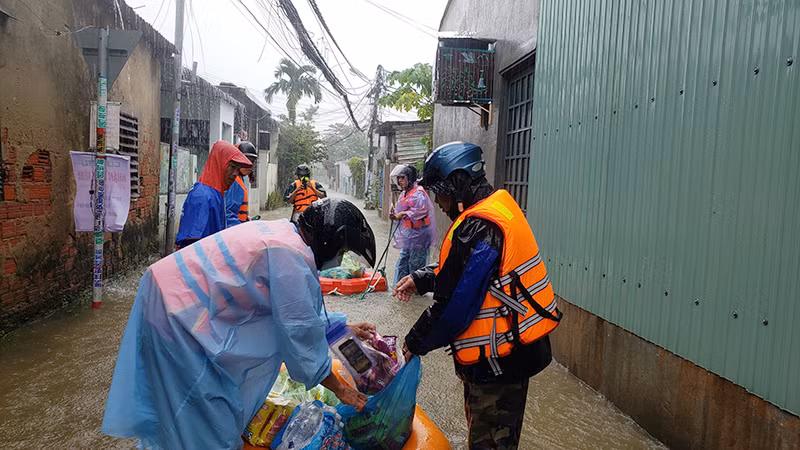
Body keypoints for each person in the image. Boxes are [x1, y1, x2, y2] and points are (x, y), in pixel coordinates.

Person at [102, 198, 377, 449]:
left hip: (171, 301)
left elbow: (299, 314)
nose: (338, 259)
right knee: (206, 422)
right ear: (329, 240)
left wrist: (344, 329)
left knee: (179, 413)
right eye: (341, 250)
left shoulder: (283, 234)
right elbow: (299, 335)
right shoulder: (290, 257)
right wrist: (340, 389)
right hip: (181, 320)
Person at [392, 142, 562, 450]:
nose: (439, 202)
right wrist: (421, 279)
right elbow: (469, 273)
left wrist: (414, 341)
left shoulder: (478, 227)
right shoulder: (494, 211)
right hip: (508, 355)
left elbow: (456, 306)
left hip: (499, 364)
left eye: (440, 192)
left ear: (458, 184)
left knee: (491, 443)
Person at [175, 140, 252, 250]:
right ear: (219, 164)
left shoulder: (216, 193)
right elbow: (192, 246)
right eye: (232, 167)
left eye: (237, 169)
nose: (235, 174)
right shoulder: (203, 196)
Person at [389, 164, 436, 285]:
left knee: (416, 266)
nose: (399, 181)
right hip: (408, 235)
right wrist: (394, 214)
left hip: (420, 236)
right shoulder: (403, 194)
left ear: (409, 178)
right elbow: (399, 213)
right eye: (398, 178)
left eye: (402, 178)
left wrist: (403, 213)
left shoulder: (418, 193)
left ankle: (415, 292)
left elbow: (421, 211)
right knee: (403, 262)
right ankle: (398, 287)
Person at [224, 141, 258, 227]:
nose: (250, 165)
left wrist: (246, 218)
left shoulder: (240, 180)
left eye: (252, 162)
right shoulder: (234, 182)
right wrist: (243, 230)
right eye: (246, 161)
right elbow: (228, 215)